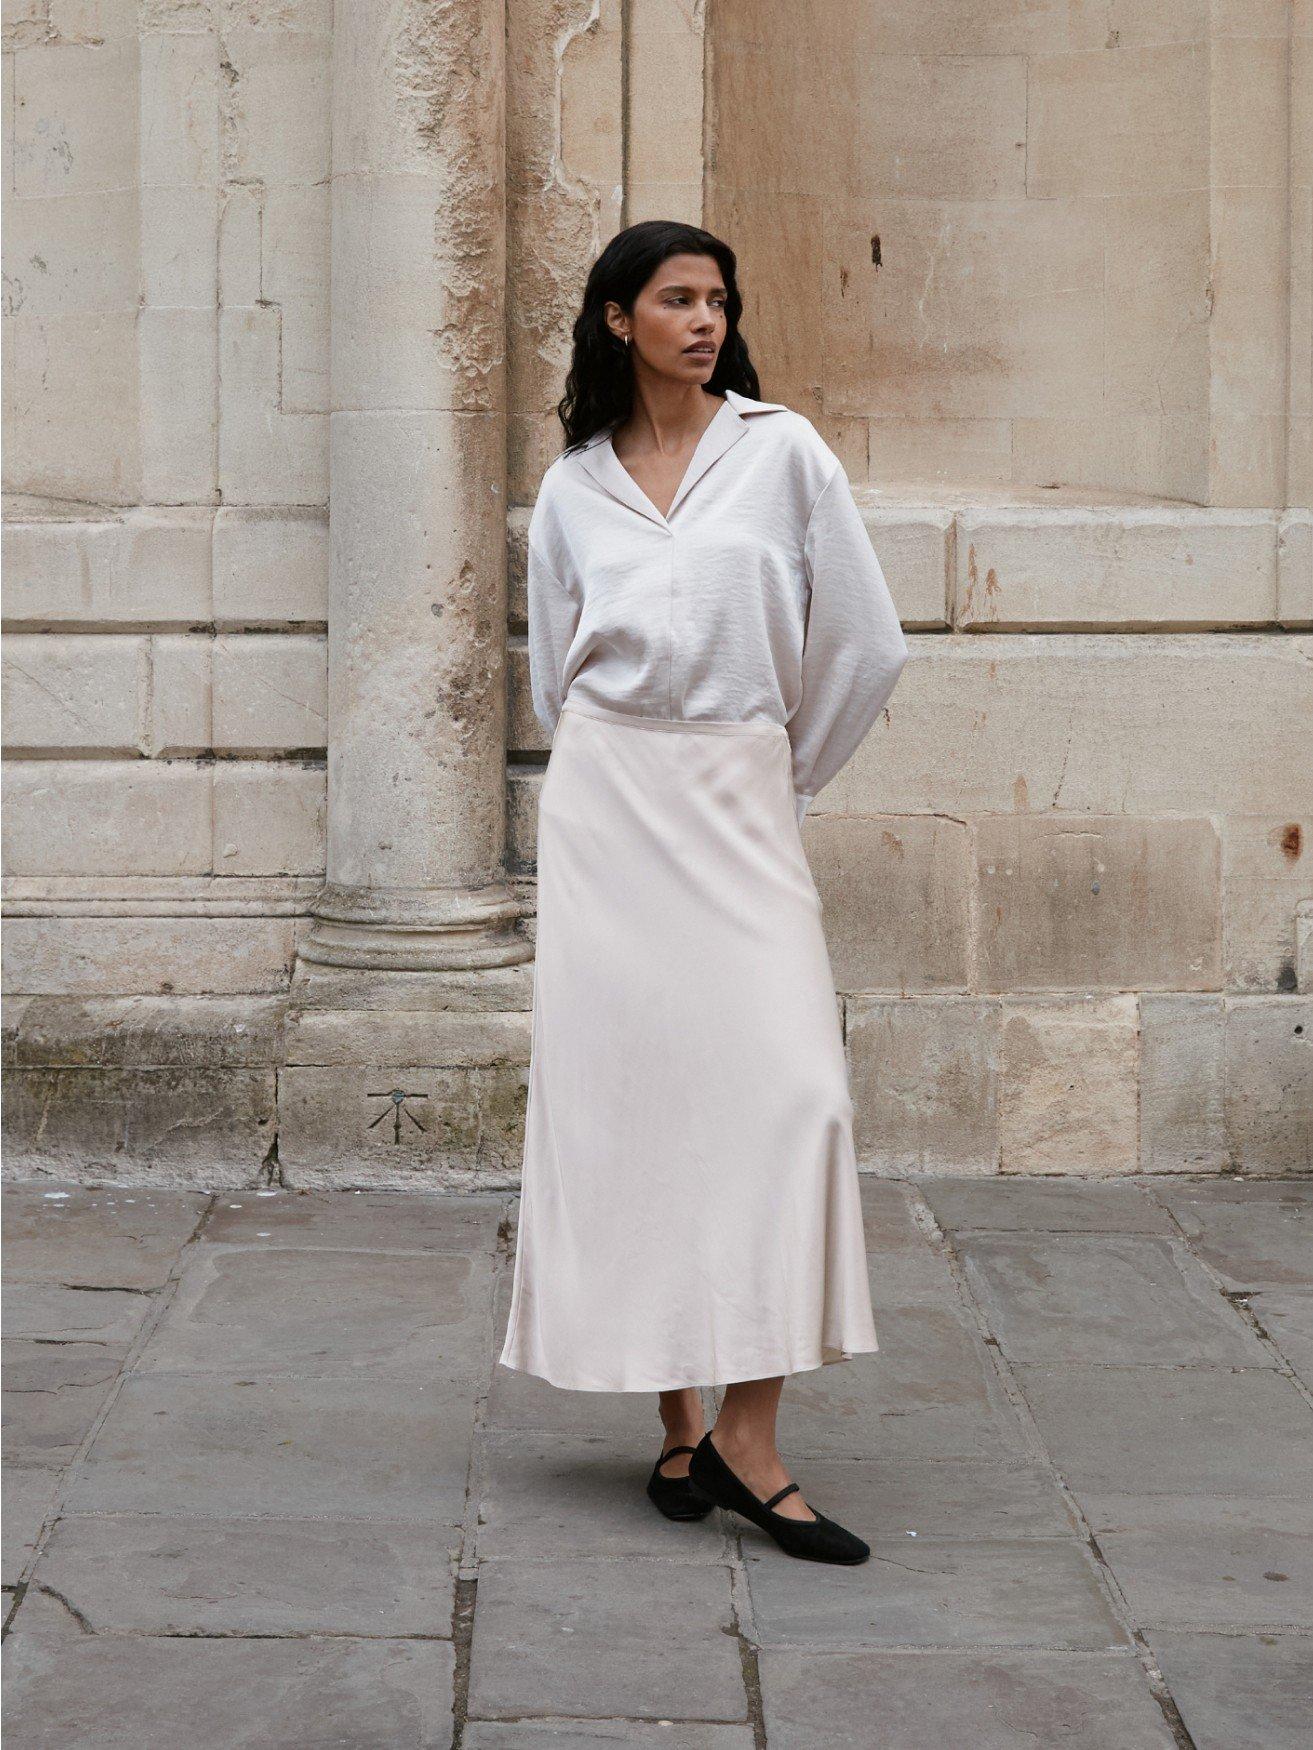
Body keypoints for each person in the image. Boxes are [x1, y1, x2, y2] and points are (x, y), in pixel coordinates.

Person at [496, 219, 909, 1566]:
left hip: (736, 797)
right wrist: (623, 775)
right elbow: (558, 671)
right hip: (612, 810)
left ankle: (750, 1430)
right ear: (617, 318)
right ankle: (679, 1424)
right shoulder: (571, 485)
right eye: (675, 299)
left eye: (717, 299)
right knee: (633, 1105)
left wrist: (772, 777)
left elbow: (862, 640)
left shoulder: (780, 452)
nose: (703, 320)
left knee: (793, 1094)